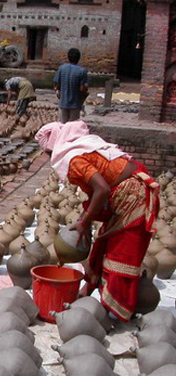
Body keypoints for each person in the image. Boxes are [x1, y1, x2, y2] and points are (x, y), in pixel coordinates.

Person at [35, 121, 159, 322]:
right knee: (102, 244)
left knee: (120, 255)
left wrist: (85, 221)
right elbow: (98, 191)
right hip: (123, 196)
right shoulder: (82, 149)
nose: (50, 156)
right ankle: (89, 290)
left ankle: (114, 313)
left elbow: (102, 189)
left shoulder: (75, 159)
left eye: (49, 152)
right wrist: (86, 218)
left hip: (134, 197)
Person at [54, 48, 89, 123]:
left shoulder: (61, 68)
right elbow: (82, 89)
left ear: (68, 57)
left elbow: (57, 86)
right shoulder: (82, 71)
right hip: (75, 105)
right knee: (72, 126)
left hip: (63, 103)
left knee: (63, 125)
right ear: (78, 58)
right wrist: (85, 94)